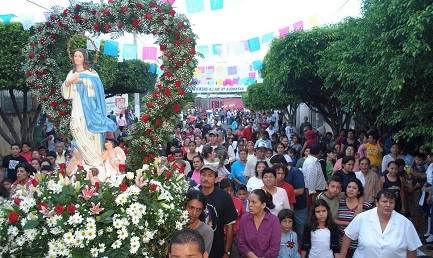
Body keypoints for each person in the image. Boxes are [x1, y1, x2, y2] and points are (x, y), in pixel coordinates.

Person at [62, 48, 117, 175]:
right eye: (75, 56)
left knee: (92, 135)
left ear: (84, 58)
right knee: (77, 130)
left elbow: (97, 87)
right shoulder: (71, 73)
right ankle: (86, 162)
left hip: (91, 109)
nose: (77, 58)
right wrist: (67, 82)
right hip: (77, 107)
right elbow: (66, 94)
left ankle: (97, 163)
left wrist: (83, 80)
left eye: (79, 56)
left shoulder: (92, 73)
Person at [338, 189, 422, 258]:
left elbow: (412, 248)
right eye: (384, 201)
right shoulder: (362, 218)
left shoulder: (405, 223)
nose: (388, 205)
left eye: (391, 202)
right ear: (377, 202)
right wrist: (342, 254)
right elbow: (348, 235)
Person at [200, 164, 238, 258]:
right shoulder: (194, 194)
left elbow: (230, 225)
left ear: (216, 179)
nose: (206, 178)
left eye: (210, 175)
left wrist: (227, 252)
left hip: (217, 248)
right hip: (196, 246)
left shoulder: (224, 197)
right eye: (203, 175)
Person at [237, 188, 281, 258]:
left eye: (254, 202)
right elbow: (241, 244)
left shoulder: (274, 221)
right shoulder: (244, 219)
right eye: (249, 201)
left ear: (263, 205)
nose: (250, 205)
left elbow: (274, 248)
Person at [334, 178, 372, 258]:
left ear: (358, 191)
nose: (351, 190)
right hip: (342, 244)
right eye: (349, 187)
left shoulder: (366, 206)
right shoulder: (340, 203)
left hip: (359, 246)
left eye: (354, 188)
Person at [220, 178, 244, 257]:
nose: (229, 193)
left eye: (231, 190)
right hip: (219, 238)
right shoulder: (218, 201)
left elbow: (242, 218)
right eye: (226, 190)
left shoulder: (238, 202)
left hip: (235, 239)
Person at [185, 189, 214, 255]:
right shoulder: (173, 226)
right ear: (184, 206)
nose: (194, 213)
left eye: (198, 209)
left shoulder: (206, 231)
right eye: (191, 207)